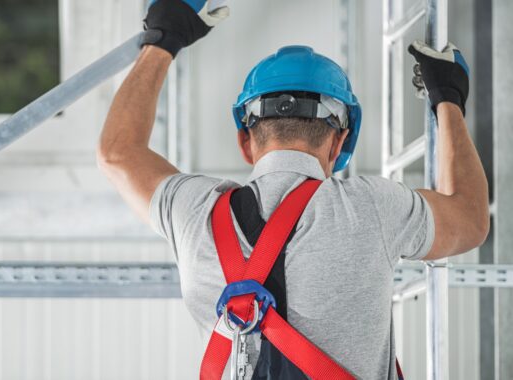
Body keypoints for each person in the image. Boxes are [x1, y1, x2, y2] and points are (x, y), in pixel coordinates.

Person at [97, 0, 490, 378]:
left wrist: (164, 37)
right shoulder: (373, 209)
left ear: (245, 142)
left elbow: (117, 153)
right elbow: (471, 218)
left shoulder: (195, 212)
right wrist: (448, 98)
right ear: (339, 144)